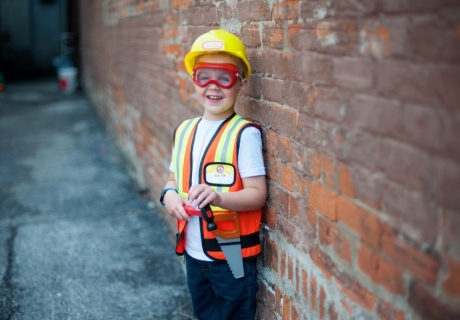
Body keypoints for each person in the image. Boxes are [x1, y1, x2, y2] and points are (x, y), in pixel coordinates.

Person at [159, 29, 267, 320]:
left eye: (224, 77)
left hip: (232, 256)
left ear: (240, 85)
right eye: (203, 76)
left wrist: (219, 196)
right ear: (194, 80)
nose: (213, 86)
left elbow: (257, 195)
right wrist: (168, 196)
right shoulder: (183, 130)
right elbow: (172, 181)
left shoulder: (243, 135)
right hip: (193, 253)